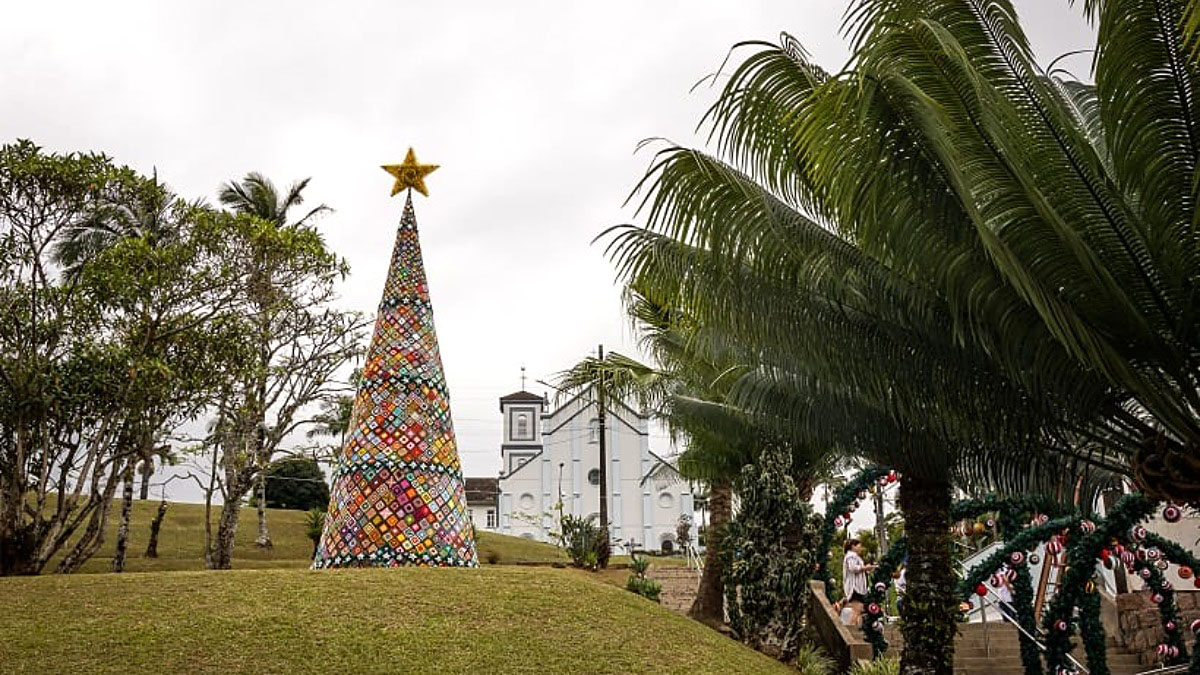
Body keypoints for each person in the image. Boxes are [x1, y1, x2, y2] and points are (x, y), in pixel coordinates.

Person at [842, 538, 877, 626]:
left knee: (860, 611)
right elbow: (853, 568)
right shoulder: (851, 556)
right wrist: (865, 568)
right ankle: (852, 627)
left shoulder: (856, 557)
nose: (860, 548)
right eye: (859, 546)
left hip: (860, 587)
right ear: (853, 546)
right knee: (857, 610)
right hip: (855, 587)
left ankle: (858, 627)